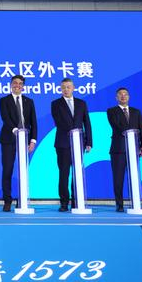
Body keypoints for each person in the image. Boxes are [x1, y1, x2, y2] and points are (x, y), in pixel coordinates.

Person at [51, 78, 92, 212]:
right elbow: (58, 122)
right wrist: (74, 131)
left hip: (79, 143)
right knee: (64, 174)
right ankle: (64, 203)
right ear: (60, 89)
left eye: (68, 87)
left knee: (77, 173)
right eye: (63, 87)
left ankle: (76, 201)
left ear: (73, 88)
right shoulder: (55, 104)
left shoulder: (81, 103)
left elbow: (87, 122)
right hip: (63, 143)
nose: (66, 89)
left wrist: (89, 141)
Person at [0, 74, 37, 212]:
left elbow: (33, 122)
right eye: (15, 83)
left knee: (23, 172)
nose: (17, 85)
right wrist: (15, 130)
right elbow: (5, 118)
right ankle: (7, 201)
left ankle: (22, 200)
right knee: (7, 170)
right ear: (11, 84)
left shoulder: (29, 101)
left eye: (20, 84)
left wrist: (32, 140)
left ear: (23, 86)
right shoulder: (4, 100)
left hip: (25, 141)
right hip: (9, 140)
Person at [107, 87, 142, 212]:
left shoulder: (136, 112)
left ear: (129, 97)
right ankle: (119, 204)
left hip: (134, 149)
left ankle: (136, 202)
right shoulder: (111, 111)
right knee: (118, 178)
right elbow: (116, 126)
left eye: (125, 94)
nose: (123, 96)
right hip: (118, 149)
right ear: (116, 98)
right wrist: (130, 132)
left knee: (134, 177)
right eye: (120, 94)